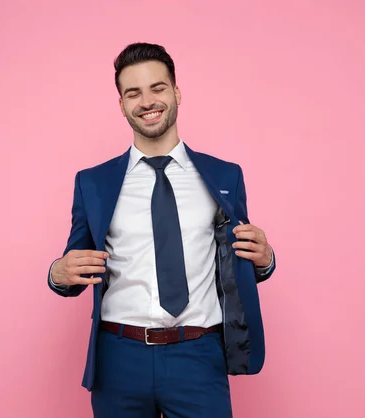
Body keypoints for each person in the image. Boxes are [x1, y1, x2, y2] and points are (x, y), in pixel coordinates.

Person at [47, 42, 276, 418]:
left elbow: (244, 257)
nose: (146, 101)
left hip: (199, 354)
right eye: (132, 93)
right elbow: (74, 268)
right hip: (119, 356)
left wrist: (265, 259)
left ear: (176, 92)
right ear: (121, 104)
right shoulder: (93, 182)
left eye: (158, 88)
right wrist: (58, 272)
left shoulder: (224, 175)